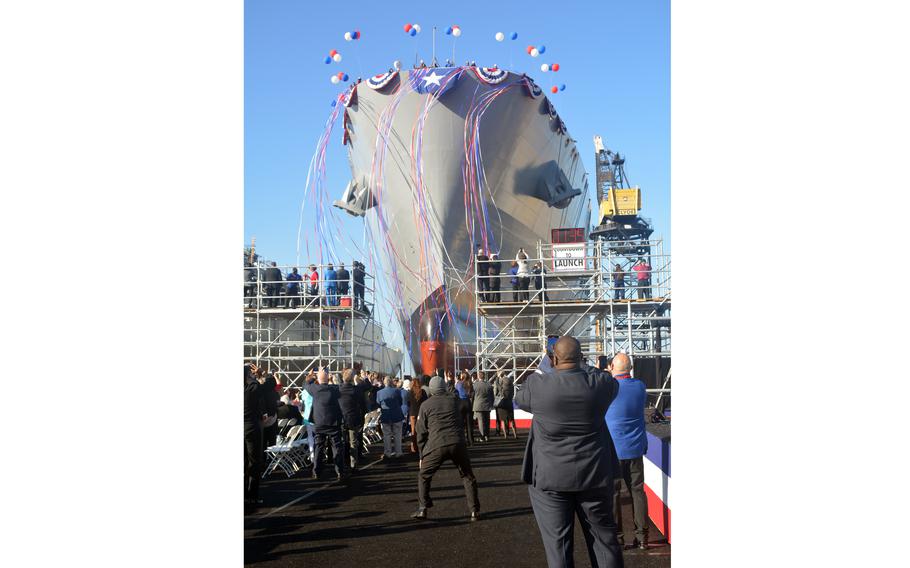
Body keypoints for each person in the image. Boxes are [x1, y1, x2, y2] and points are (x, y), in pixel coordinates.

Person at [514, 336, 624, 568]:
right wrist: (580, 364)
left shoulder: (537, 385)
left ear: (553, 358)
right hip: (594, 475)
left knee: (558, 549)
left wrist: (548, 365)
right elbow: (610, 381)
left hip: (549, 479)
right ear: (581, 357)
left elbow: (519, 398)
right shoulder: (600, 385)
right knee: (605, 544)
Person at [412, 376, 481, 522]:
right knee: (468, 476)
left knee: (424, 475)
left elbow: (421, 433)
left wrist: (421, 455)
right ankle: (474, 511)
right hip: (458, 443)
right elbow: (462, 403)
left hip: (436, 444)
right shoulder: (454, 400)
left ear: (431, 389)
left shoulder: (426, 405)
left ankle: (423, 508)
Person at [605, 353, 649, 550]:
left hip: (613, 450)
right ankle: (642, 537)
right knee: (637, 492)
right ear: (630, 368)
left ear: (612, 366)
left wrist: (607, 373)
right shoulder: (640, 387)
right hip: (636, 448)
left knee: (613, 495)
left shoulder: (608, 388)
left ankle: (618, 537)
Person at [303, 368, 347, 481]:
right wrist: (331, 379)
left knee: (319, 447)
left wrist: (311, 376)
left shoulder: (315, 389)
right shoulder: (334, 389)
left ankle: (317, 471)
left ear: (318, 379)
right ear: (328, 378)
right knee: (337, 447)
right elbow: (340, 387)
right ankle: (340, 472)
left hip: (320, 423)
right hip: (333, 423)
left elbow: (305, 384)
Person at [244, 364, 268, 509]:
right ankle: (252, 496)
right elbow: (264, 387)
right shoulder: (252, 388)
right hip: (251, 427)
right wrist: (259, 375)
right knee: (254, 461)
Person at [339, 368, 368, 470]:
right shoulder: (356, 390)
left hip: (342, 418)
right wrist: (361, 378)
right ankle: (353, 464)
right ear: (352, 379)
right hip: (353, 419)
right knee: (353, 442)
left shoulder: (338, 389)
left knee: (343, 442)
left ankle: (343, 463)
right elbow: (365, 388)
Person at [376, 377, 405, 459]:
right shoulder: (397, 391)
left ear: (384, 383)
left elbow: (378, 403)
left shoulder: (379, 392)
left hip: (386, 416)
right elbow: (400, 402)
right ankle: (398, 452)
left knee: (386, 435)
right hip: (396, 415)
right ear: (391, 382)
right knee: (398, 434)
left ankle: (387, 453)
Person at [408, 377, 428, 453]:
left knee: (413, 431)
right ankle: (422, 445)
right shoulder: (422, 392)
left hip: (412, 413)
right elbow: (426, 402)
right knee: (422, 429)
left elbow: (408, 403)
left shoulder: (410, 392)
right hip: (420, 413)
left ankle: (414, 447)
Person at [494, 371, 517, 438]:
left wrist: (498, 377)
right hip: (509, 403)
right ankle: (515, 435)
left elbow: (497, 384)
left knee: (503, 420)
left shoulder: (502, 389)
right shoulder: (511, 386)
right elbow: (513, 394)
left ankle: (505, 435)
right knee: (512, 420)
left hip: (503, 404)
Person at [472, 372, 494, 442]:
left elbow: (472, 396)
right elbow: (492, 396)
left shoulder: (475, 385)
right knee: (487, 421)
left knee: (480, 422)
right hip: (487, 405)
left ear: (478, 376)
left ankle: (482, 436)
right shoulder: (489, 385)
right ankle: (487, 436)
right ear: (484, 376)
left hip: (478, 406)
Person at [455, 372, 475, 445]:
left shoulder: (458, 384)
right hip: (468, 403)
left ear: (462, 376)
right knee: (469, 423)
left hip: (460, 403)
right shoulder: (470, 384)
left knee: (461, 424)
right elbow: (472, 394)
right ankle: (471, 440)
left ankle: (462, 441)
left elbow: (456, 393)